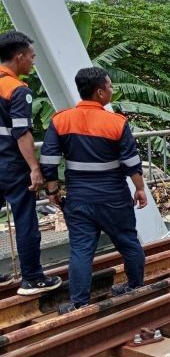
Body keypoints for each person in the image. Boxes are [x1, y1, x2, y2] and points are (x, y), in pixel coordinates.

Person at [39, 67, 146, 313]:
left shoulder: (61, 120)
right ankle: (135, 286)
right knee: (128, 241)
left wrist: (53, 190)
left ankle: (79, 302)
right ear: (99, 92)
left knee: (81, 249)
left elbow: (49, 160)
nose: (111, 90)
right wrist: (140, 189)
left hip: (78, 199)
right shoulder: (116, 123)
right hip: (113, 198)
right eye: (109, 86)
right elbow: (131, 162)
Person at [0, 33, 62, 293]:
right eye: (32, 57)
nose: (33, 62)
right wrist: (35, 168)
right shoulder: (17, 89)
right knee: (26, 219)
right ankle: (32, 277)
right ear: (19, 56)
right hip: (11, 165)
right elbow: (21, 132)